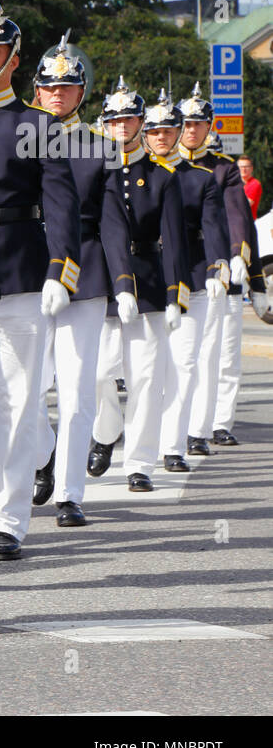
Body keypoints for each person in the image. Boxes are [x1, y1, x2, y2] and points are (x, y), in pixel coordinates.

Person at [0, 0, 80, 562]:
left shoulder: (37, 125)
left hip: (21, 269)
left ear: (14, 59)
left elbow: (62, 205)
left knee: (18, 404)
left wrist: (61, 270)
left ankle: (7, 519)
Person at [29, 37, 133, 528]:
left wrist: (124, 281)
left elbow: (112, 221)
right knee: (23, 389)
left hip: (85, 272)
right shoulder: (16, 134)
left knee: (75, 388)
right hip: (28, 271)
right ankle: (42, 451)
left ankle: (69, 492)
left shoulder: (101, 148)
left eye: (67, 86)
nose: (56, 93)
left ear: (82, 92)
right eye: (48, 84)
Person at [87, 77, 188, 493]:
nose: (122, 126)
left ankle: (141, 462)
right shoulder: (94, 170)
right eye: (114, 120)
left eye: (129, 119)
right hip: (104, 282)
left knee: (146, 378)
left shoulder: (162, 178)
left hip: (147, 281)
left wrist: (174, 296)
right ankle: (106, 429)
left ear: (141, 124)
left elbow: (175, 241)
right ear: (104, 124)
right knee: (97, 374)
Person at [151, 91, 228, 473]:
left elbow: (214, 225)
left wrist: (217, 266)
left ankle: (172, 445)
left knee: (183, 362)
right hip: (147, 278)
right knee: (138, 369)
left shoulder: (200, 178)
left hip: (191, 277)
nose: (163, 137)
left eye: (170, 130)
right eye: (156, 130)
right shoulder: (135, 175)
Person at [186, 99, 262, 446]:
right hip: (182, 266)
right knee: (184, 355)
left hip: (220, 270)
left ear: (208, 127)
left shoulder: (224, 169)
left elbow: (237, 217)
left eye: (196, 124)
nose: (189, 130)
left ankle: (217, 423)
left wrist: (237, 257)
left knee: (222, 354)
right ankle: (183, 422)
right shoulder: (164, 165)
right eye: (184, 124)